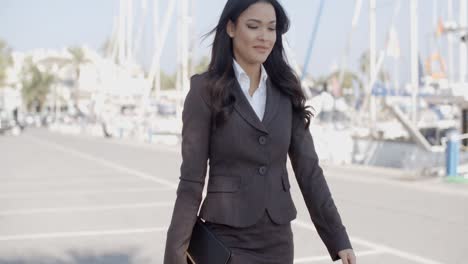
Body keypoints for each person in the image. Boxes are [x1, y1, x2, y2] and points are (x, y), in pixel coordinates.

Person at [163, 0, 356, 263]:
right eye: (253, 26)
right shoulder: (205, 90)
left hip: (278, 242)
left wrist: (338, 238)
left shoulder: (286, 90)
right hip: (226, 241)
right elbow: (191, 183)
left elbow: (309, 171)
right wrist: (173, 257)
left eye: (271, 28)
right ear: (231, 28)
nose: (264, 37)